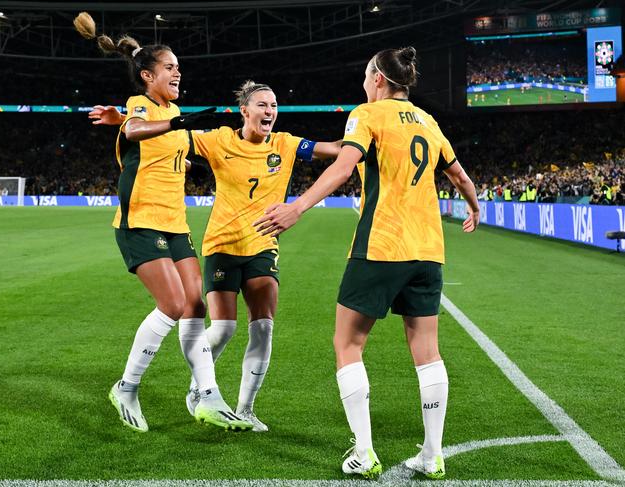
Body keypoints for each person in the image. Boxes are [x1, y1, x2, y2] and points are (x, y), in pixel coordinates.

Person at [255, 47, 480, 479]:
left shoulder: (368, 114)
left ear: (378, 77)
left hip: (381, 245)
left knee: (348, 344)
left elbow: (343, 167)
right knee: (428, 353)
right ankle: (433, 454)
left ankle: (364, 451)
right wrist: (473, 208)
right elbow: (460, 177)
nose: (362, 82)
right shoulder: (429, 123)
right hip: (429, 250)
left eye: (364, 74)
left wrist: (297, 208)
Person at [90, 80, 341, 432]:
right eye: (262, 105)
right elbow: (171, 138)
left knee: (264, 327)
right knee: (222, 329)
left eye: (274, 105)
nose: (270, 111)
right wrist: (123, 121)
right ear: (245, 111)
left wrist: (363, 143)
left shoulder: (286, 144)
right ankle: (199, 388)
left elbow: (333, 148)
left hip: (263, 246)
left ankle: (246, 408)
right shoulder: (219, 139)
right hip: (223, 244)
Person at [74, 12, 251, 433]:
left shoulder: (172, 110)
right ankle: (126, 387)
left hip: (175, 223)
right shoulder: (144, 105)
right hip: (141, 221)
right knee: (172, 305)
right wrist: (167, 123)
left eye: (177, 67)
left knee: (195, 304)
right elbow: (135, 130)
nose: (177, 72)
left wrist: (181, 157)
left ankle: (207, 396)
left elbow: (164, 146)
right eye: (169, 68)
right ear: (148, 76)